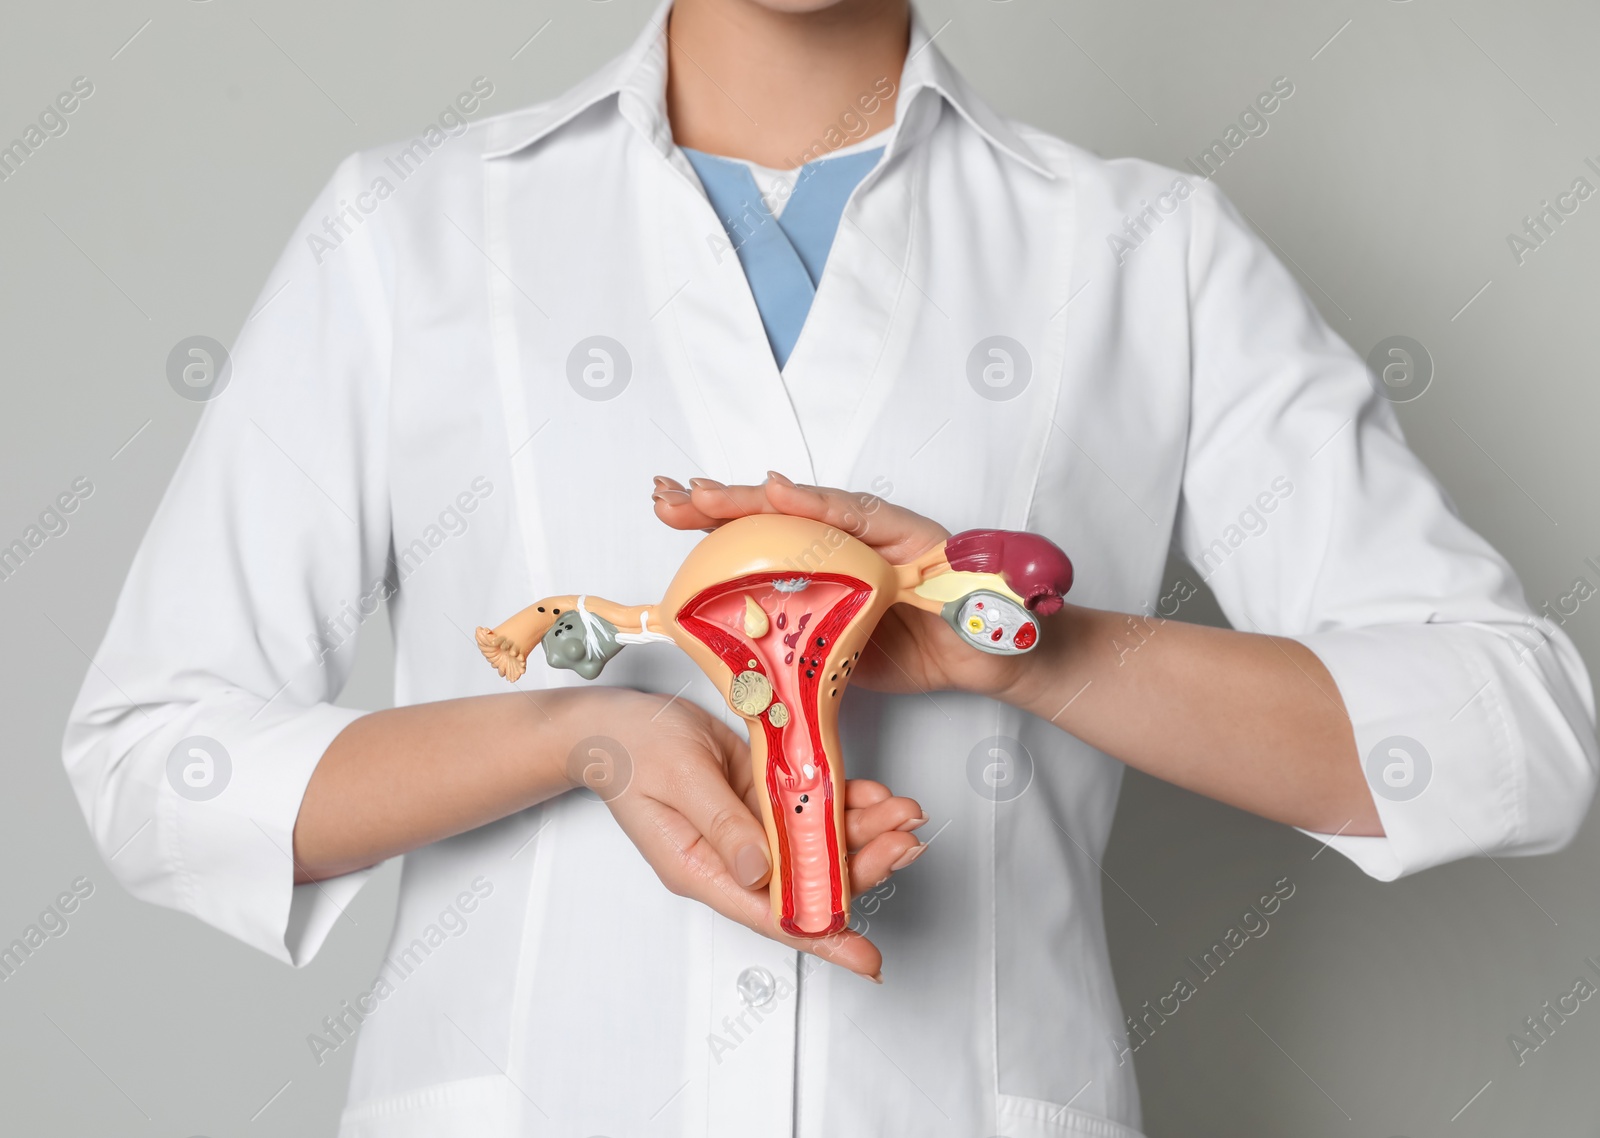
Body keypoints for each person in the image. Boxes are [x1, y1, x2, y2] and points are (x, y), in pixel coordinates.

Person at [63, 0, 1597, 1133]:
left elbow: (1516, 738)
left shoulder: (1143, 253)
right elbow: (155, 756)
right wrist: (574, 735)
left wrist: (1032, 653)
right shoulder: (408, 236)